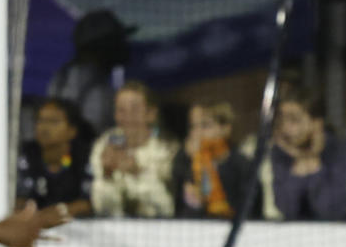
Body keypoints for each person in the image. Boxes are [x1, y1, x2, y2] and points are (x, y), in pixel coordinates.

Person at [251, 84, 346, 221]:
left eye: (294, 120)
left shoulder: (337, 150)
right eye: (282, 119)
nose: (285, 127)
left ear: (317, 123)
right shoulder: (279, 152)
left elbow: (331, 209)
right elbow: (287, 208)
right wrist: (299, 165)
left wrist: (314, 167)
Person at [90, 82, 177, 218]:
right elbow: (102, 210)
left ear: (151, 114)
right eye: (121, 110)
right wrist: (107, 175)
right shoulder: (104, 144)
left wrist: (137, 173)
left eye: (134, 109)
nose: (127, 117)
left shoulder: (167, 149)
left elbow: (165, 209)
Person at [48, 9, 136, 138]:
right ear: (102, 45)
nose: (125, 44)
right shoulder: (94, 89)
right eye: (118, 39)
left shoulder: (62, 78)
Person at [16, 98, 93, 221]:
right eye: (40, 120)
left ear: (72, 130)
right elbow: (20, 199)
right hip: (33, 227)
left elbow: (89, 203)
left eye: (53, 121)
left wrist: (52, 215)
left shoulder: (85, 156)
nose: (44, 127)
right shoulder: (28, 154)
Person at [172, 102, 252, 219]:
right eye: (193, 126)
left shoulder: (241, 165)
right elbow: (182, 206)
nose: (197, 132)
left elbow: (247, 208)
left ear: (225, 129)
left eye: (205, 126)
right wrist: (192, 161)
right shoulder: (186, 160)